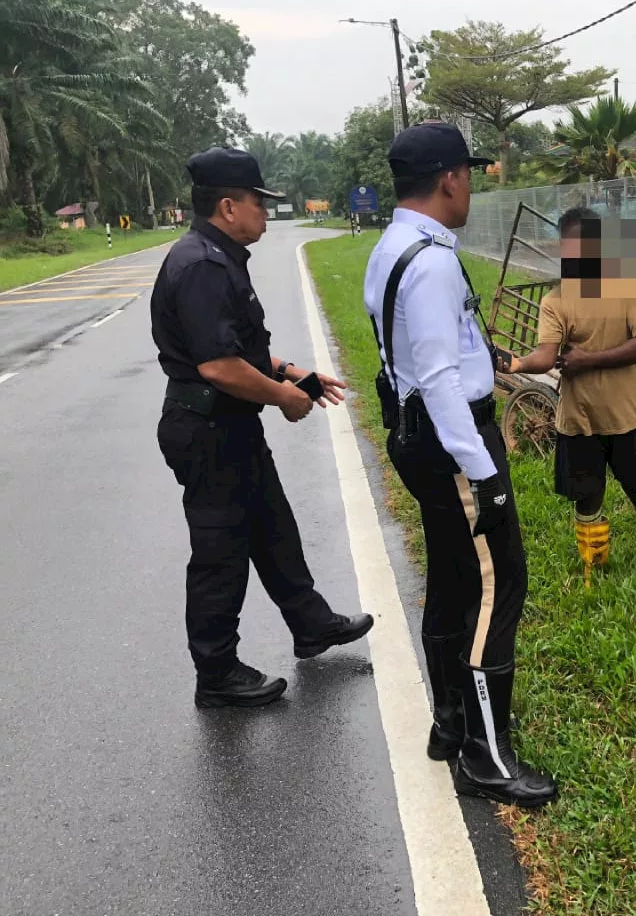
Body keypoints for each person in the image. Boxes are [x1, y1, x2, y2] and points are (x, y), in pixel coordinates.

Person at [363, 121, 557, 809]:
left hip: (416, 433)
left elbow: (418, 360)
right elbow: (443, 380)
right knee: (497, 586)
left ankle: (450, 723)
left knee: (450, 580)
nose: (471, 184)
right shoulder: (434, 261)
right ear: (449, 179)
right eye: (468, 173)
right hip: (452, 442)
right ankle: (487, 757)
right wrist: (483, 474)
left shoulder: (391, 248)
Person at [152, 147, 374, 710]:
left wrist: (290, 373)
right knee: (220, 553)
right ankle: (217, 673)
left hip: (226, 425)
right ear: (228, 206)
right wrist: (283, 399)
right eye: (259, 203)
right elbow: (216, 366)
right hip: (205, 428)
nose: (266, 214)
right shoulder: (202, 264)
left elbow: (239, 349)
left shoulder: (220, 256)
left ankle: (312, 624)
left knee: (272, 526)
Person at [502, 207, 636, 589]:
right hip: (579, 420)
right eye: (570, 246)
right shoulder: (556, 300)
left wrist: (587, 361)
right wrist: (515, 363)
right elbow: (546, 355)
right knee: (586, 498)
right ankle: (592, 569)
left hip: (627, 417)